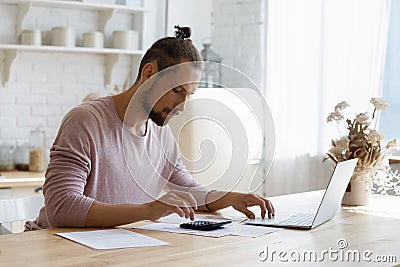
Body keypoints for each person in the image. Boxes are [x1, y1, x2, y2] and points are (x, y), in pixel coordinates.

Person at [25, 26, 274, 230]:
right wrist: (148, 211)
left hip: (114, 248)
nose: (182, 106)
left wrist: (228, 197)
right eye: (178, 91)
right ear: (149, 73)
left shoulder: (161, 132)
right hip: (55, 248)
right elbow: (61, 208)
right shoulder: (85, 121)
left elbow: (186, 190)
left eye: (189, 95)